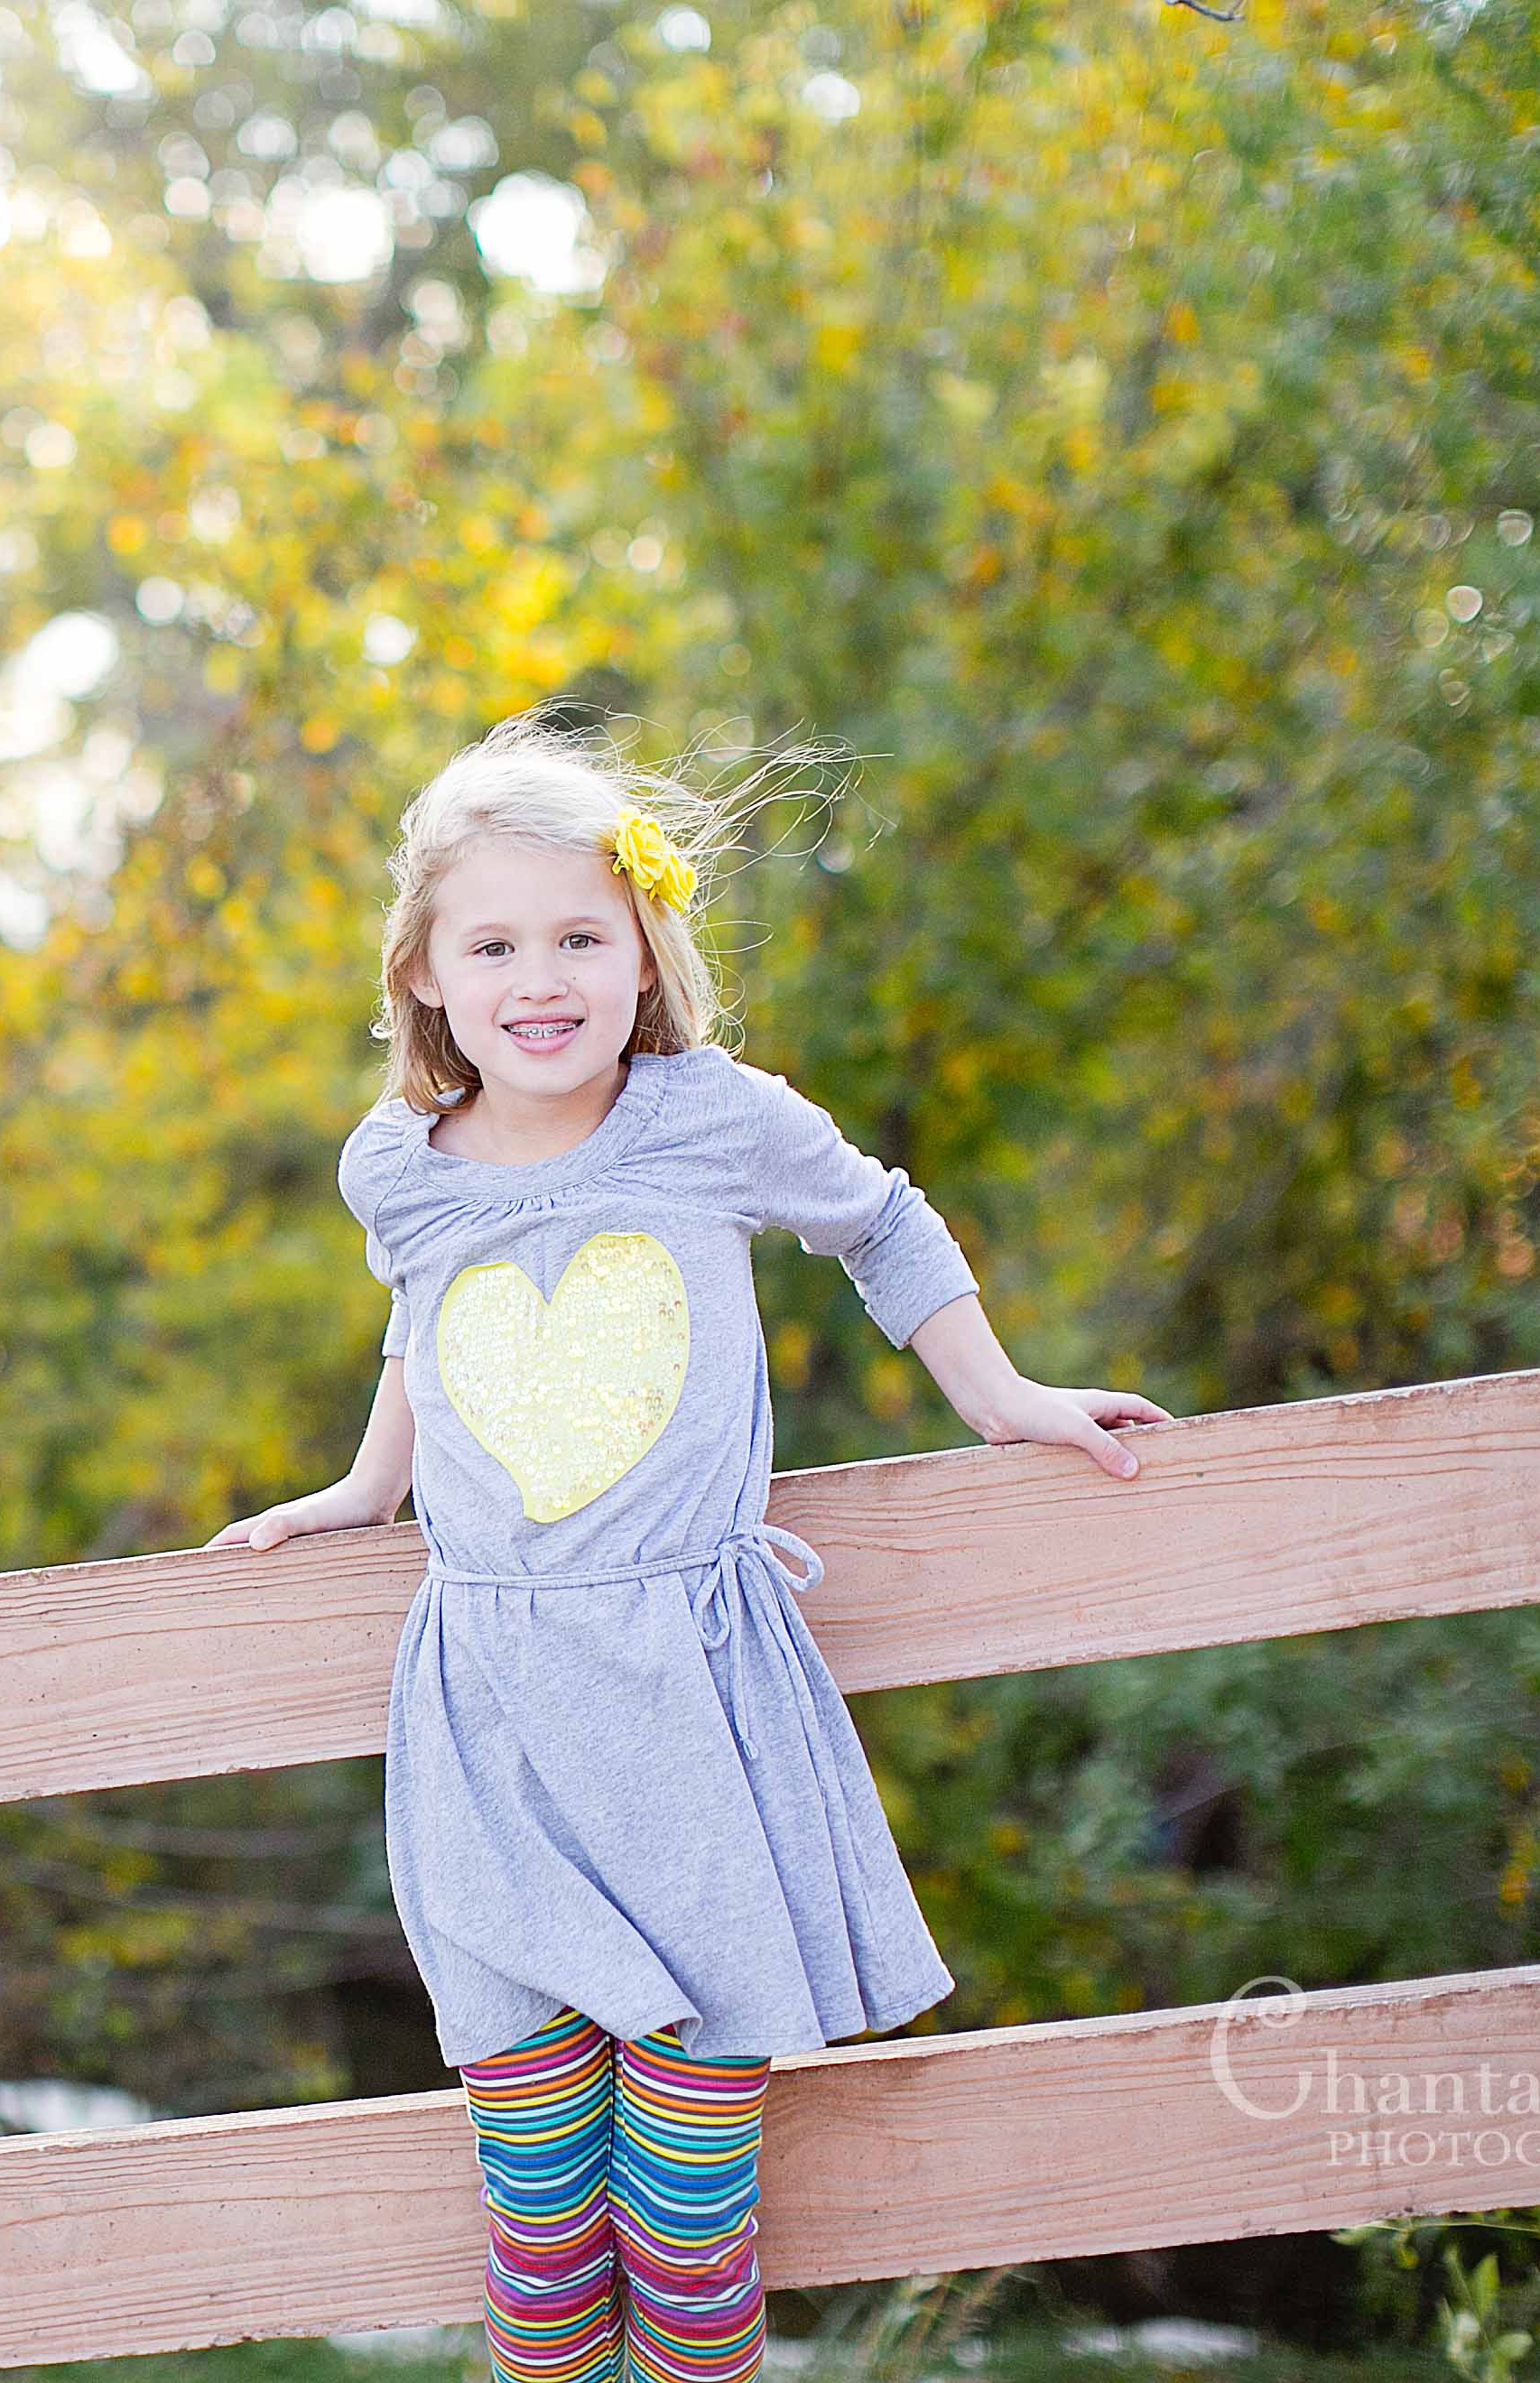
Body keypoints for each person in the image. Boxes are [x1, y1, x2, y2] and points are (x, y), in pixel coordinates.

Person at [212, 715, 1168, 2383]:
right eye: (493, 942)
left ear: (644, 952)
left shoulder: (705, 1119)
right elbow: (436, 1342)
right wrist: (367, 1497)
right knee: (535, 2203)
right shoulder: (398, 1169)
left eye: (581, 935)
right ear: (424, 975)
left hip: (691, 1692)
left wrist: (1001, 1396)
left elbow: (882, 1218)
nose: (541, 977)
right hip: (493, 1695)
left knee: (687, 2195)